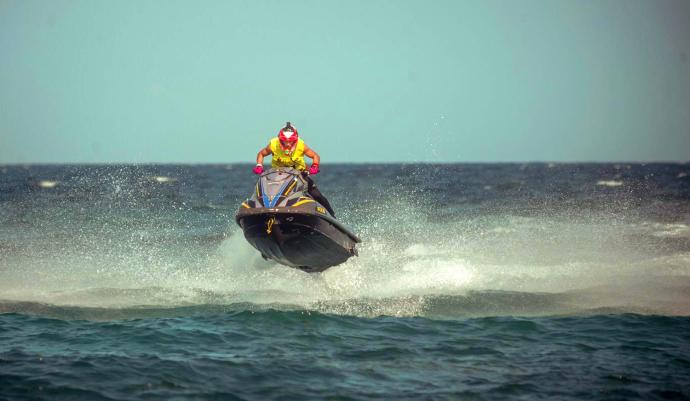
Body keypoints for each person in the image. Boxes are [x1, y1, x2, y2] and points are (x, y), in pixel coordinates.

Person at [253, 122, 336, 217]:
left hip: (300, 175)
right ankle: (260, 211)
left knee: (317, 196)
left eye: (291, 141)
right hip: (277, 176)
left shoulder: (301, 145)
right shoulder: (273, 144)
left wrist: (315, 166)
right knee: (264, 190)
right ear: (280, 139)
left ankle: (332, 217)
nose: (288, 144)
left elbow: (315, 156)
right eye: (284, 141)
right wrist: (259, 165)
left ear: (295, 139)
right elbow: (261, 154)